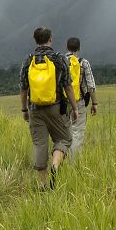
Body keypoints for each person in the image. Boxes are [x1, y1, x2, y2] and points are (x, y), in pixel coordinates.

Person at [19, 27, 78, 190]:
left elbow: (23, 88)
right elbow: (68, 86)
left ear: (35, 40)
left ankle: (44, 185)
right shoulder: (59, 58)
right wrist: (75, 108)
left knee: (40, 144)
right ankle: (55, 165)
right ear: (50, 38)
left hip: (35, 109)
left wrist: (24, 110)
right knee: (64, 139)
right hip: (56, 107)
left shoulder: (28, 60)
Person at [65, 37, 98, 158]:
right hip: (78, 101)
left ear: (67, 47)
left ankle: (59, 160)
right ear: (79, 48)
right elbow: (91, 86)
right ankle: (72, 163)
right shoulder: (84, 63)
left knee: (63, 133)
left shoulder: (59, 61)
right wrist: (94, 103)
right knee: (77, 132)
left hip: (62, 103)